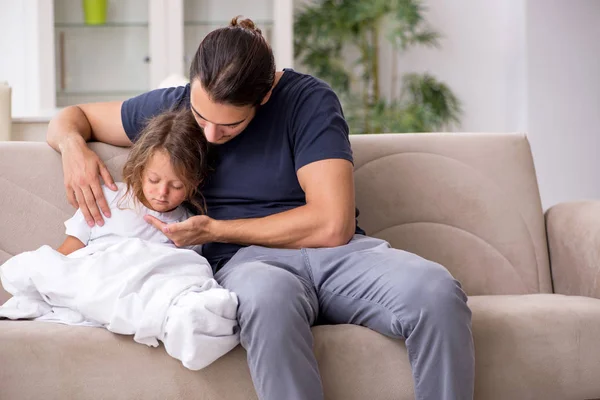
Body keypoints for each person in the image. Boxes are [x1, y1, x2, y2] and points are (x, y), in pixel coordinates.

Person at [46, 16, 474, 400]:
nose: (210, 135)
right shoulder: (174, 104)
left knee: (435, 291)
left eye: (230, 123)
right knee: (269, 299)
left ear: (266, 92)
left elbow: (332, 224)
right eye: (201, 117)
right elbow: (73, 115)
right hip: (250, 266)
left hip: (340, 257)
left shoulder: (308, 101)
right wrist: (72, 147)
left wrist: (215, 231)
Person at [1, 110, 239, 370]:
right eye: (154, 180)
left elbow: (182, 272)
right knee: (37, 266)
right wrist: (52, 276)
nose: (162, 193)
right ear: (140, 169)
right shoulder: (108, 198)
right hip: (98, 275)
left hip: (148, 284)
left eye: (177, 185)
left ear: (195, 182)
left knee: (194, 302)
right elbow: (68, 252)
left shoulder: (191, 226)